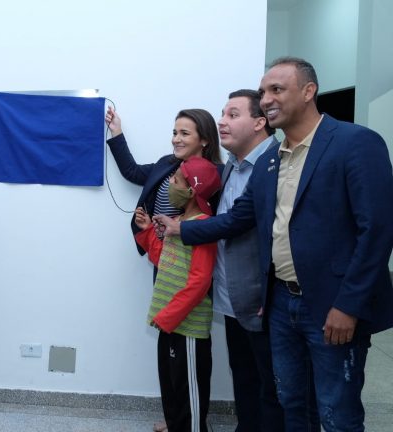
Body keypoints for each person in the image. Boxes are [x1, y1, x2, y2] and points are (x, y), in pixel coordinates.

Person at [157, 57, 393, 430]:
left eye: (277, 89)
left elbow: (377, 231)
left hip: (331, 304)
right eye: (263, 91)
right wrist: (181, 229)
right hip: (281, 305)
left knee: (336, 413)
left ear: (309, 91)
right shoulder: (273, 160)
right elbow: (238, 218)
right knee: (290, 404)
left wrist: (349, 305)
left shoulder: (355, 143)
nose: (266, 98)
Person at [214, 89, 289, 432]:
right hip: (233, 299)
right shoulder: (231, 166)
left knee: (273, 388)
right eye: (222, 114)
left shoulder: (278, 163)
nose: (222, 122)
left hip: (265, 302)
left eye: (233, 115)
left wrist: (182, 229)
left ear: (260, 123)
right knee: (244, 377)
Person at [133, 156, 221, 432]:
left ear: (191, 191)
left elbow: (199, 282)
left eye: (176, 179)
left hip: (187, 328)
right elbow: (164, 259)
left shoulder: (203, 226)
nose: (170, 182)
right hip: (169, 323)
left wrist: (168, 316)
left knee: (188, 392)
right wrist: (148, 232)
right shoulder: (178, 221)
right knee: (171, 387)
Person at [105, 107, 222, 252]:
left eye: (184, 133)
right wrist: (116, 130)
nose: (175, 139)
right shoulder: (167, 163)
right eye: (175, 133)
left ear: (204, 139)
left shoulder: (216, 174)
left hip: (189, 254)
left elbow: (217, 222)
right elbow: (132, 172)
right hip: (158, 250)